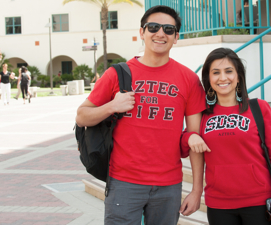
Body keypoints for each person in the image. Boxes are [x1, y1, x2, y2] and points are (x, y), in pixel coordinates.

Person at [75, 5, 206, 225]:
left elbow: (195, 139)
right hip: (124, 182)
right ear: (142, 33)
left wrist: (196, 190)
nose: (160, 33)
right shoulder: (117, 73)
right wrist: (112, 106)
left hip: (168, 184)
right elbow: (81, 116)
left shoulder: (189, 79)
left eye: (168, 29)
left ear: (176, 38)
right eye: (153, 27)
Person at [180, 48, 271, 225]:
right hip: (218, 203)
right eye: (216, 72)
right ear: (209, 79)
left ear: (238, 76)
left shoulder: (259, 108)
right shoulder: (202, 115)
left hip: (259, 201)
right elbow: (183, 147)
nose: (223, 78)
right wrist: (190, 137)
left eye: (229, 71)